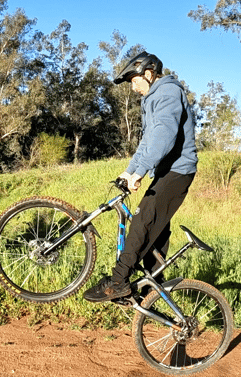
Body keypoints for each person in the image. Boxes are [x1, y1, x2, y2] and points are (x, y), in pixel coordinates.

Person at [83, 51, 198, 302]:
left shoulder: (167, 93)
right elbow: (147, 142)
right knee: (155, 233)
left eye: (134, 81)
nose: (133, 87)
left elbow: (163, 136)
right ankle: (151, 292)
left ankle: (118, 281)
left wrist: (141, 171)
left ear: (149, 73)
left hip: (178, 171)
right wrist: (130, 170)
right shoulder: (152, 99)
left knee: (142, 221)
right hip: (168, 171)